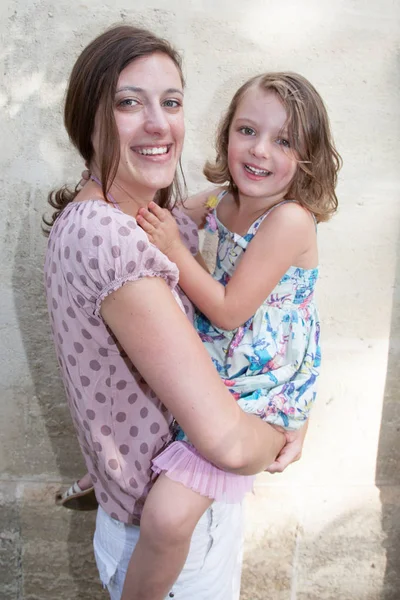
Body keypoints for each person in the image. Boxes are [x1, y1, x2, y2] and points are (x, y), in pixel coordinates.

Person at [44, 25, 307, 600]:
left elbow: (205, 205)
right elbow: (229, 446)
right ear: (87, 118)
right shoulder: (115, 239)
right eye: (128, 102)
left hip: (154, 523)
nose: (159, 123)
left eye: (172, 102)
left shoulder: (119, 219)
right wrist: (285, 425)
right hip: (173, 547)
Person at [127, 71, 342, 595]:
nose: (260, 150)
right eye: (247, 130)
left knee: (168, 517)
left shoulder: (290, 219)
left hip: (258, 390)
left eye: (284, 140)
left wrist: (177, 251)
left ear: (308, 157)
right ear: (227, 133)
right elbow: (172, 216)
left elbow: (227, 311)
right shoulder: (222, 198)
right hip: (220, 368)